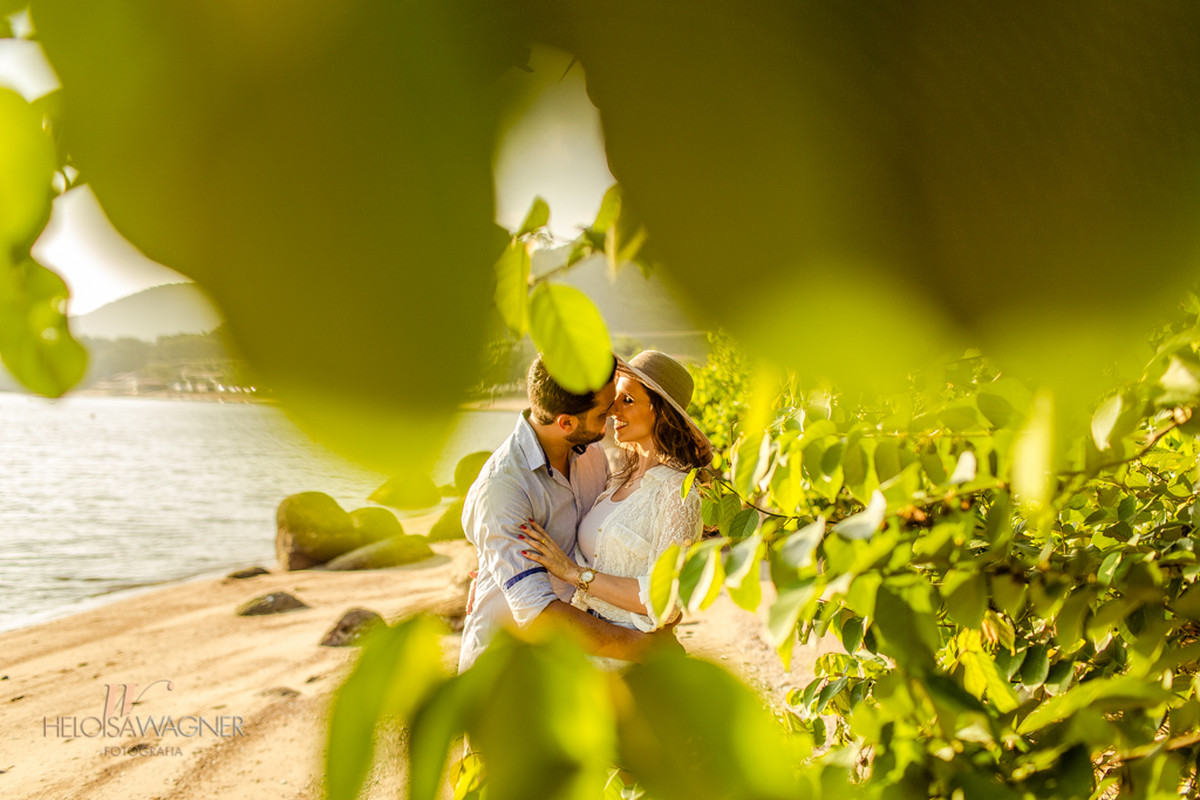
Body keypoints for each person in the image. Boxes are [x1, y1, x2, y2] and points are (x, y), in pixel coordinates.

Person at [457, 354, 670, 673]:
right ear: (566, 423)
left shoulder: (590, 452)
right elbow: (539, 615)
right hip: (504, 672)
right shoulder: (503, 487)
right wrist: (644, 648)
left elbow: (604, 541)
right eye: (603, 412)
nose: (613, 413)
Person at [519, 350, 713, 640]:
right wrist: (499, 573)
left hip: (633, 648)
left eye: (628, 400)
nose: (613, 411)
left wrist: (575, 574)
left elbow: (666, 601)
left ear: (660, 412)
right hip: (589, 640)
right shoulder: (616, 479)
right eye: (615, 399)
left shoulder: (679, 492)